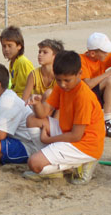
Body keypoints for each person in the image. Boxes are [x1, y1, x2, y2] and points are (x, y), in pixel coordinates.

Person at [23, 50, 105, 185]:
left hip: (86, 144)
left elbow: (76, 136)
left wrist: (48, 140)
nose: (62, 84)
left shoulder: (83, 96)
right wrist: (37, 104)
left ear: (79, 74)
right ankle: (54, 165)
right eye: (59, 80)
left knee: (34, 163)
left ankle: (82, 162)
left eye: (67, 80)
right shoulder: (61, 87)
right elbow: (43, 114)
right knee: (32, 119)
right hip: (68, 132)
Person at [21, 39, 64, 103]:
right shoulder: (34, 75)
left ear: (55, 56)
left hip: (55, 108)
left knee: (49, 93)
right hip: (38, 108)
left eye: (45, 52)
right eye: (39, 52)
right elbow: (24, 100)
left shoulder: (60, 75)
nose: (40, 55)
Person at [0, 25, 34, 98]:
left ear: (19, 46)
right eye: (4, 46)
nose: (6, 49)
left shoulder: (23, 62)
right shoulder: (13, 62)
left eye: (10, 46)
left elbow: (32, 87)